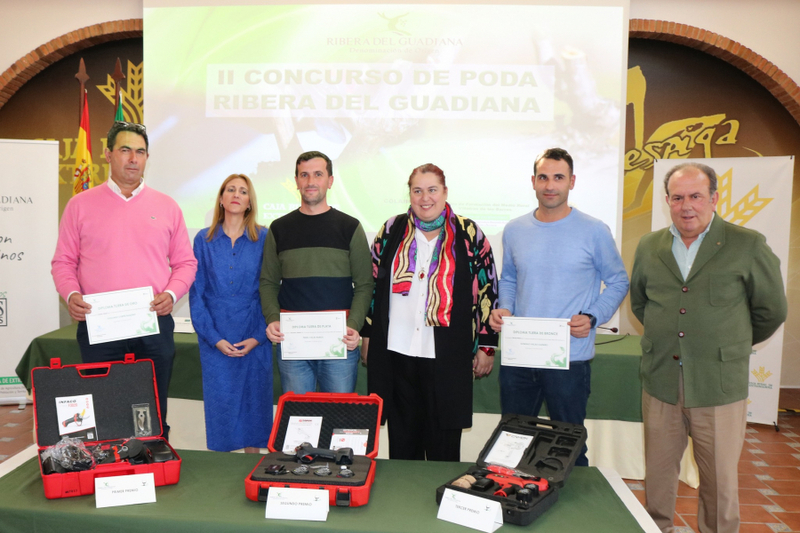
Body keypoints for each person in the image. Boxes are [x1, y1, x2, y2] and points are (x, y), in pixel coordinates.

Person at [630, 162, 787, 533]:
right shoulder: (649, 246)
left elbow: (771, 309)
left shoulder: (747, 244)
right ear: (667, 200)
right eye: (678, 197)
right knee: (658, 477)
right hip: (661, 382)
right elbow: (640, 304)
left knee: (719, 483)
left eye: (696, 196)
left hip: (718, 384)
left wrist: (728, 344)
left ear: (714, 199)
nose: (687, 206)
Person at [51, 121, 197, 435]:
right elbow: (63, 262)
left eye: (140, 152)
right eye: (125, 150)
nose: (133, 158)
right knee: (104, 403)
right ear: (108, 155)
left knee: (153, 406)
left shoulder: (167, 206)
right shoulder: (79, 205)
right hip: (99, 326)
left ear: (147, 158)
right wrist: (71, 295)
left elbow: (186, 263)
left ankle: (155, 460)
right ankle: (109, 469)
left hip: (153, 324)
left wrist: (170, 295)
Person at [489, 147, 628, 466]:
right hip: (520, 353)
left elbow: (619, 281)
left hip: (569, 356)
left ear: (572, 182)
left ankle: (575, 512)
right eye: (543, 177)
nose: (550, 185)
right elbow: (509, 278)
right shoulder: (515, 229)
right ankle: (512, 497)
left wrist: (593, 317)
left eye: (558, 177)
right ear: (533, 182)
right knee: (512, 438)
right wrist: (505, 308)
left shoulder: (594, 230)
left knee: (569, 441)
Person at [362, 163, 498, 461]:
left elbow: (488, 290)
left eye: (432, 190)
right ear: (409, 194)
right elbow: (372, 286)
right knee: (403, 439)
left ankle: (440, 498)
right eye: (417, 190)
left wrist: (487, 346)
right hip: (397, 350)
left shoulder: (469, 233)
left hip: (447, 355)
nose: (425, 198)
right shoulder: (390, 230)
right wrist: (368, 335)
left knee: (443, 444)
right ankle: (405, 501)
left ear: (445, 192)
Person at [259, 151, 372, 394]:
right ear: (296, 181)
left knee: (338, 418)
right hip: (293, 344)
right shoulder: (278, 229)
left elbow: (364, 284)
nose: (311, 182)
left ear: (330, 181)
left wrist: (354, 325)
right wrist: (272, 319)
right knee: (300, 423)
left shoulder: (350, 227)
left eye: (318, 174)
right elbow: (268, 283)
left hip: (339, 343)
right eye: (304, 175)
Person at [189, 174, 272, 452]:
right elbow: (196, 294)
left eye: (243, 191)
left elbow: (272, 289)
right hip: (216, 335)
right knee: (221, 410)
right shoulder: (203, 239)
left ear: (249, 202)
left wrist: (259, 336)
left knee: (254, 408)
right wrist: (214, 338)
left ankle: (253, 471)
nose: (237, 194)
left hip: (254, 332)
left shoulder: (264, 237)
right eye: (231, 190)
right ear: (221, 199)